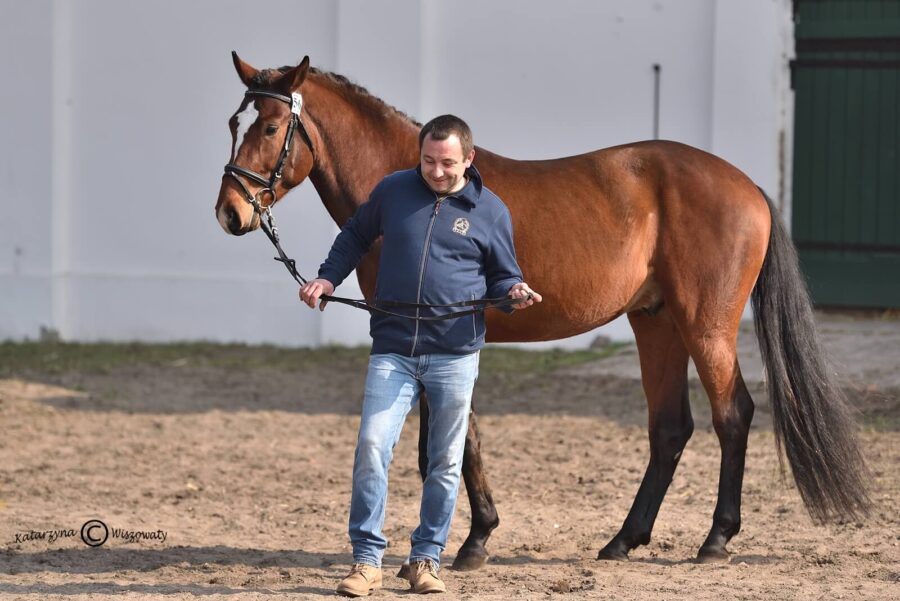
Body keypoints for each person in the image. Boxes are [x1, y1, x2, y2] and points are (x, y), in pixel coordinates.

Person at [299, 114, 541, 596]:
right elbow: (354, 236)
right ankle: (367, 561)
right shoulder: (392, 191)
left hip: (454, 354)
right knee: (372, 446)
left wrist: (513, 290)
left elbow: (502, 275)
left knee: (445, 462)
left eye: (446, 163)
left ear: (469, 159)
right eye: (428, 160)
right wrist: (327, 278)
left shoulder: (490, 210)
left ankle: (425, 561)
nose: (435, 171)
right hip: (393, 349)